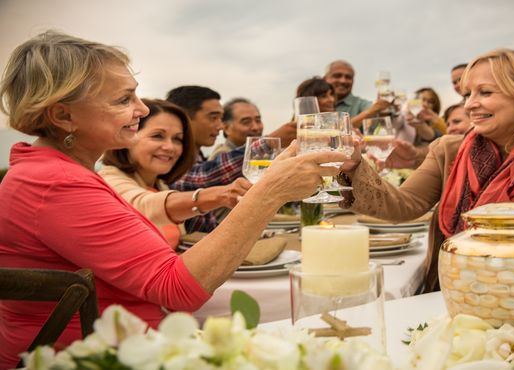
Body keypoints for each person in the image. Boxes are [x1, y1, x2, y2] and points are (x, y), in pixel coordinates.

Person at [0, 31, 346, 368]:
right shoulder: (56, 184)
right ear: (63, 116)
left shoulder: (54, 174)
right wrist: (269, 192)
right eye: (123, 100)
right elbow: (178, 288)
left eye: (136, 96)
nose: (140, 109)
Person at [338, 49, 514, 291]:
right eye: (467, 94)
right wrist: (354, 167)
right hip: (449, 291)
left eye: (485, 92)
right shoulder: (448, 148)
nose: (469, 105)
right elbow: (403, 205)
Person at [100, 99, 251, 249]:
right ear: (127, 136)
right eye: (157, 136)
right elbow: (143, 205)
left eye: (177, 139)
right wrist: (220, 195)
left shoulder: (161, 185)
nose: (169, 147)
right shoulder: (108, 180)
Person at [167, 86, 295, 232]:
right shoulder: (174, 159)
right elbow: (204, 176)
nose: (220, 126)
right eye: (213, 118)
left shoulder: (197, 155)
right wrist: (269, 142)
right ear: (183, 118)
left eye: (220, 119)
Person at [324, 60, 391, 128]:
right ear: (325, 78)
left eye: (348, 77)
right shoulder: (315, 101)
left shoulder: (363, 104)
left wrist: (380, 108)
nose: (343, 81)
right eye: (337, 76)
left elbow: (381, 124)